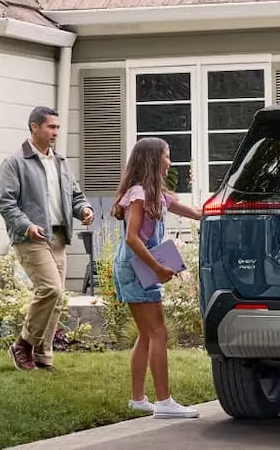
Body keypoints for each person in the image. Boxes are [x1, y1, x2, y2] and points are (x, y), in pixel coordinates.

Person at [110, 137, 202, 419]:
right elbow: (133, 238)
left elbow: (194, 212)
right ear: (153, 160)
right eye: (167, 156)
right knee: (158, 332)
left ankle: (138, 399)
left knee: (148, 334)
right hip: (138, 264)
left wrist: (213, 214)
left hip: (135, 264)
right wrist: (159, 268)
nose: (169, 162)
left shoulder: (156, 194)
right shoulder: (139, 194)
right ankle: (164, 403)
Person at [0, 106, 94, 371]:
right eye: (51, 127)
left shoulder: (60, 162)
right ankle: (23, 344)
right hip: (30, 238)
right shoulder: (15, 162)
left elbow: (75, 196)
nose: (56, 132)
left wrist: (84, 209)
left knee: (57, 298)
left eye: (58, 127)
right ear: (34, 127)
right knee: (50, 289)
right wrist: (27, 226)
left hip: (59, 236)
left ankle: (42, 356)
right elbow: (6, 204)